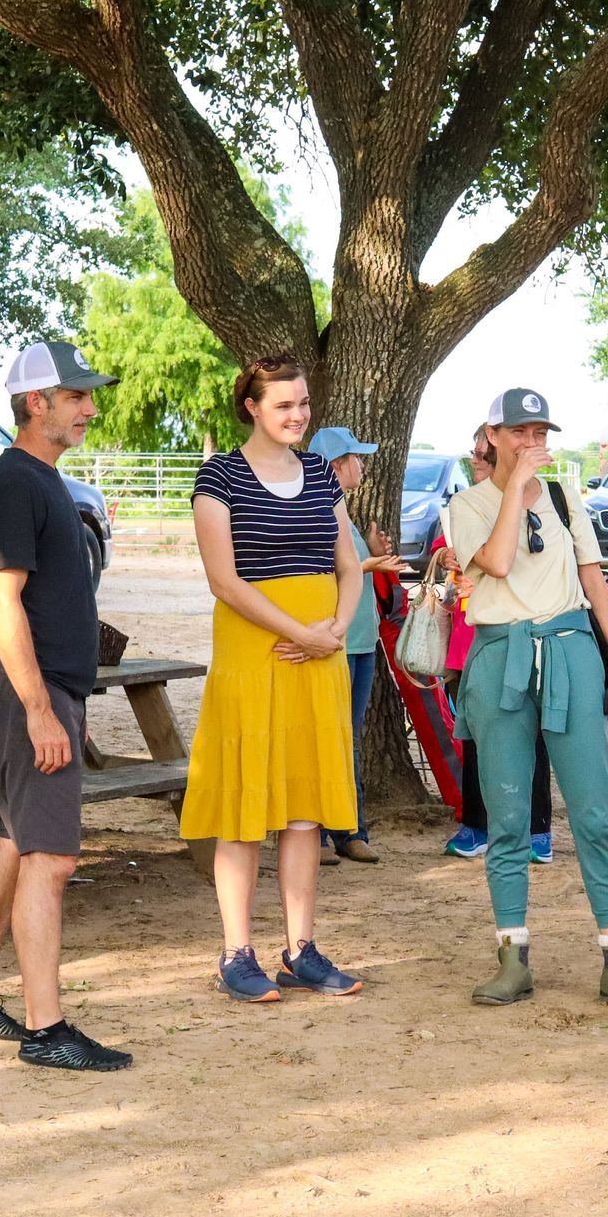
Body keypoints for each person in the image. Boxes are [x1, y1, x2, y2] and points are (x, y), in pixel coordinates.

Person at [0, 341, 131, 1072]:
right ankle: (47, 1030)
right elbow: (1, 601)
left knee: (16, 844)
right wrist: (41, 710)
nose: (90, 408)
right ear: (36, 402)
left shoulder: (42, 479)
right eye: (76, 396)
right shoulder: (15, 481)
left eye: (89, 395)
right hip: (31, 697)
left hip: (46, 692)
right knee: (51, 859)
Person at [447, 388, 608, 1011]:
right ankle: (512, 958)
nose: (532, 442)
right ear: (492, 436)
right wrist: (514, 486)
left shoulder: (565, 497)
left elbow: (592, 577)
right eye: (519, 431)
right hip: (500, 657)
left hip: (569, 650)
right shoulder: (466, 504)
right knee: (508, 816)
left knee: (593, 812)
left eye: (540, 432)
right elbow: (497, 563)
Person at [183, 355, 365, 1002]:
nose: (298, 415)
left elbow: (350, 566)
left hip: (318, 660)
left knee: (305, 811)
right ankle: (236, 954)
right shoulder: (220, 475)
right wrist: (299, 632)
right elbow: (224, 580)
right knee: (244, 807)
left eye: (303, 403)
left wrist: (334, 630)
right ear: (252, 407)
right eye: (284, 404)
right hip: (254, 658)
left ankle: (301, 950)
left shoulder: (319, 473)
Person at [442, 424, 556, 864]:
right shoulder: (466, 504)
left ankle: (535, 828)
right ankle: (479, 824)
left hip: (517, 635)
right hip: (470, 638)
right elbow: (451, 555)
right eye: (474, 453)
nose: (476, 460)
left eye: (481, 454)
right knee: (475, 732)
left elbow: (508, 563)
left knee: (532, 733)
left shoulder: (530, 502)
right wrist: (446, 558)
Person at [309, 426, 409, 864]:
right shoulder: (316, 509)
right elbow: (325, 572)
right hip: (338, 642)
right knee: (327, 738)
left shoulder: (341, 511)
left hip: (360, 643)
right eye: (355, 458)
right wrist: (368, 563)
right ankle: (322, 833)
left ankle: (347, 829)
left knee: (346, 738)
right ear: (336, 464)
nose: (362, 465)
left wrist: (366, 554)